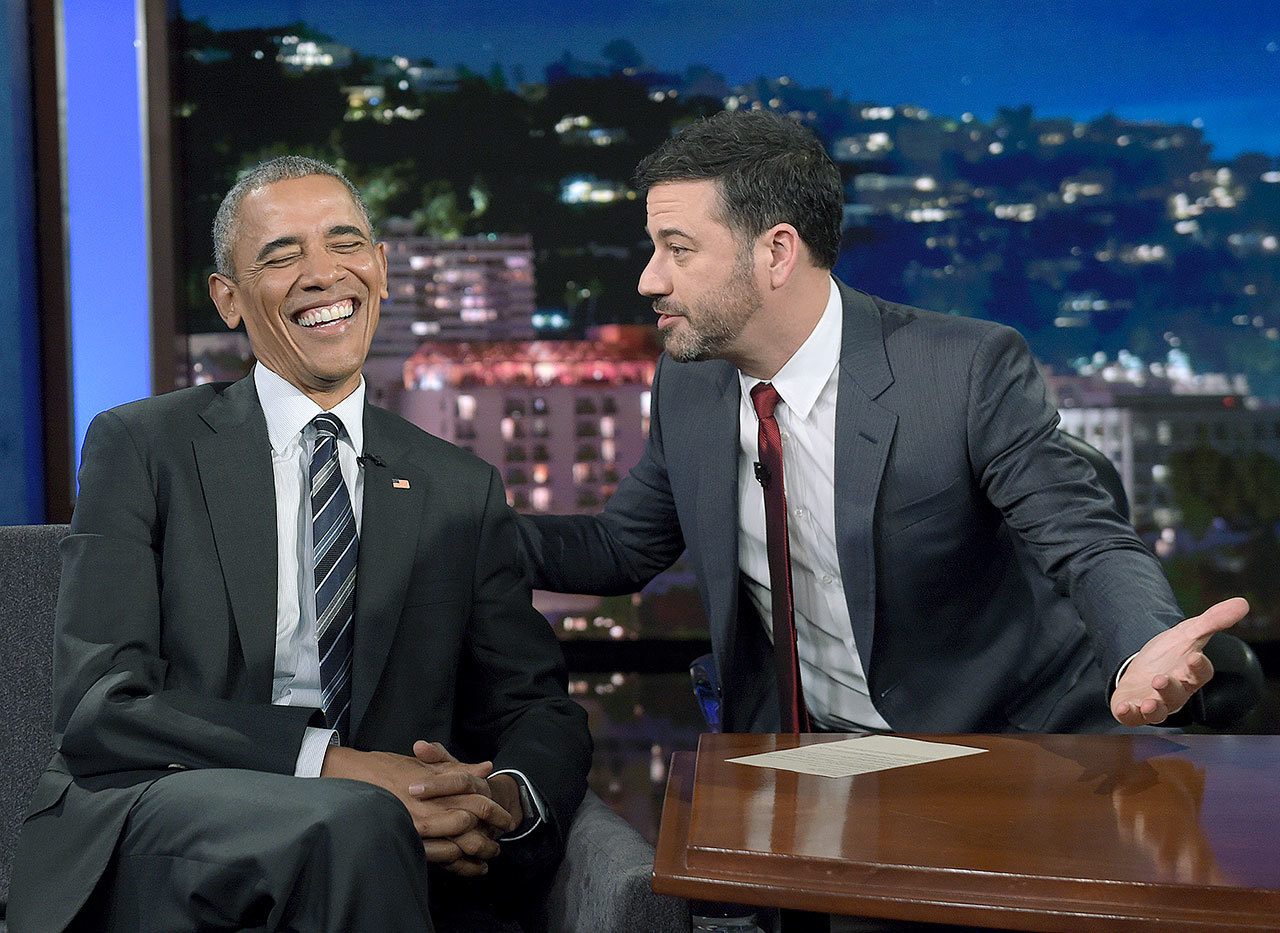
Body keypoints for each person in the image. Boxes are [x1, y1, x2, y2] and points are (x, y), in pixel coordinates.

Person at [518, 110, 1246, 736]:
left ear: (777, 251)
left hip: (998, 749)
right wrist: (449, 519)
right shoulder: (689, 381)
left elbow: (1086, 541)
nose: (649, 278)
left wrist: (1142, 647)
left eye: (677, 249)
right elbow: (620, 548)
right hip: (813, 757)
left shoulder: (963, 370)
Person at [8, 156, 591, 933]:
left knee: (362, 832)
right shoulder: (143, 446)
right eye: (282, 255)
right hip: (168, 814)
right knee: (352, 822)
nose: (322, 273)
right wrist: (340, 767)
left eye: (344, 243)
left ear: (381, 271)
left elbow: (535, 703)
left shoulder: (459, 486)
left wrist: (496, 800)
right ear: (228, 299)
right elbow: (99, 702)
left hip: (381, 855)